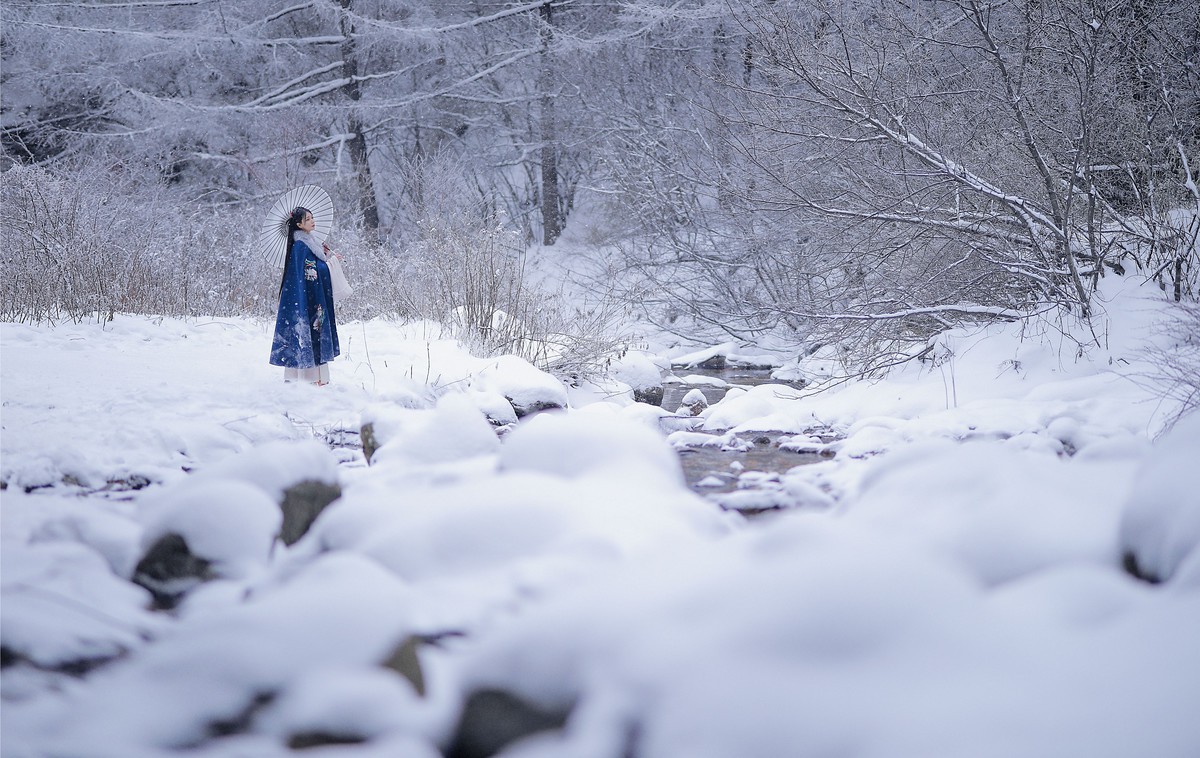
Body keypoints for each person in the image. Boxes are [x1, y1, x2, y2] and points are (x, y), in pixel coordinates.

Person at [269, 206, 340, 385]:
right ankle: (310, 380)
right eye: (308, 219)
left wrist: (324, 256)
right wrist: (331, 263)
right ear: (299, 224)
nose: (312, 221)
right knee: (310, 333)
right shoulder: (301, 246)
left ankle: (307, 378)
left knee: (307, 333)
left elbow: (313, 267)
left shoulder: (309, 243)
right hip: (308, 300)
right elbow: (313, 273)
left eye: (312, 217)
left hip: (307, 299)